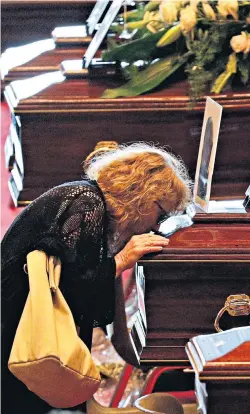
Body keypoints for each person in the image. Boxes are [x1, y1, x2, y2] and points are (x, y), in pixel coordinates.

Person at [1, 143, 192, 414]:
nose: (156, 226)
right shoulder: (86, 203)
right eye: (160, 213)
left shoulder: (95, 204)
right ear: (140, 193)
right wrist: (122, 260)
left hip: (23, 315)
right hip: (15, 322)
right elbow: (74, 288)